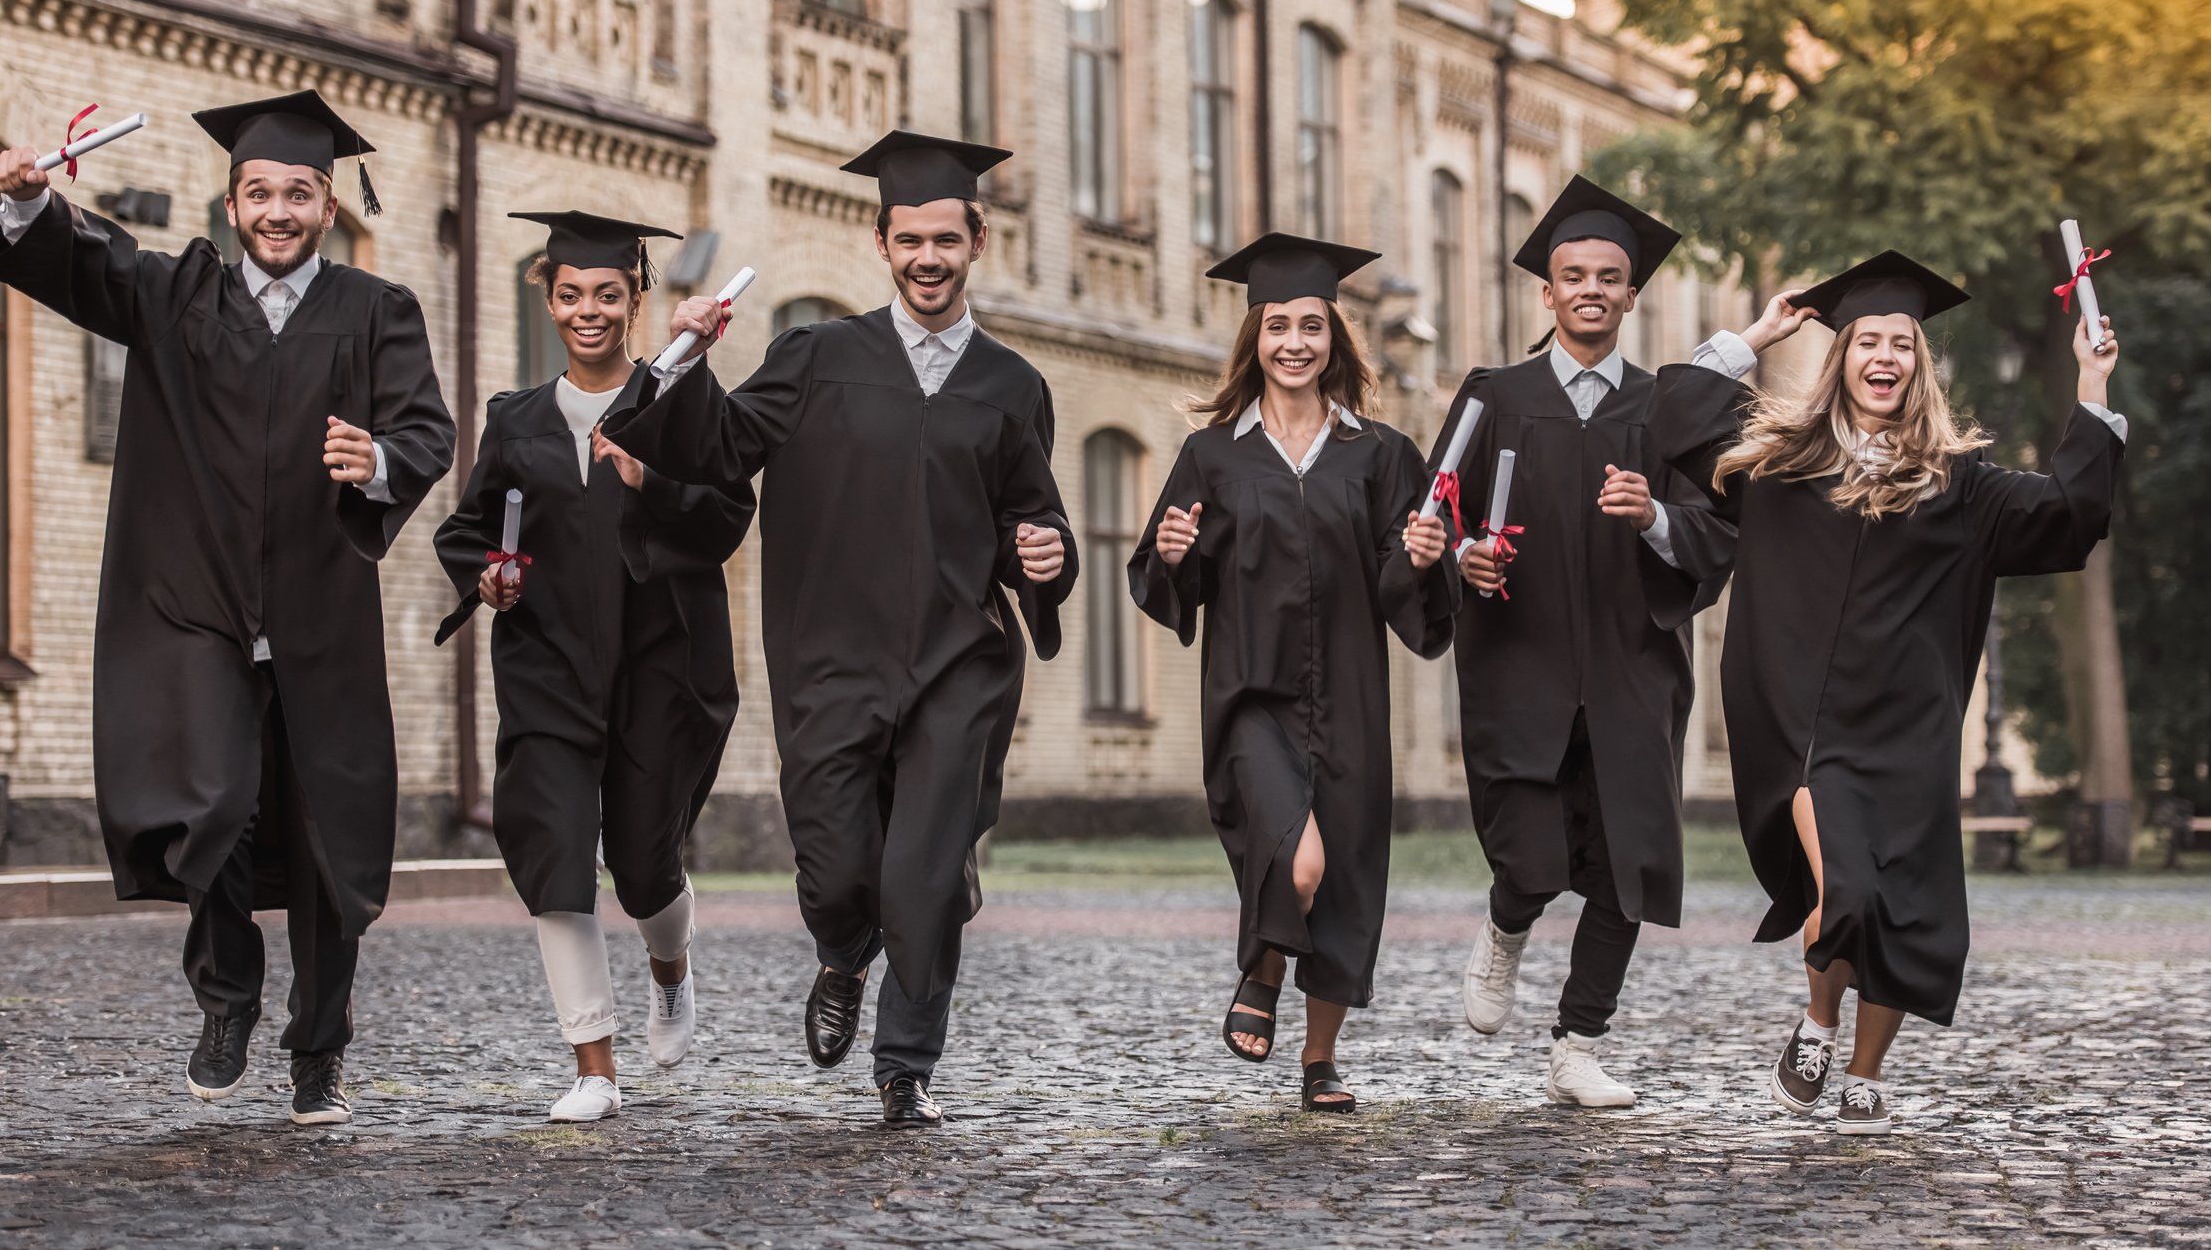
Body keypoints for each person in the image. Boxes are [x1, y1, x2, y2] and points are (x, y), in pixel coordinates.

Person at [0, 89, 453, 1126]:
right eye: (259, 192)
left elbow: (426, 432)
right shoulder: (174, 294)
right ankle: (228, 998)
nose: (278, 210)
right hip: (198, 611)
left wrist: (381, 459)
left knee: (326, 841)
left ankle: (321, 1050)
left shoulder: (377, 309)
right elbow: (80, 260)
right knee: (211, 806)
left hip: (318, 615)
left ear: (326, 206)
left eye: (298, 193)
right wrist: (29, 204)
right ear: (230, 204)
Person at [603, 130, 1077, 1129]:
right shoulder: (817, 356)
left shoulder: (1012, 386)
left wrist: (1046, 556)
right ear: (882, 244)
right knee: (837, 871)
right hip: (830, 657)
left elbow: (1031, 518)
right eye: (910, 240)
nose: (928, 258)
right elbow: (722, 449)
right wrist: (685, 357)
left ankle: (906, 1065)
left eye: (946, 239)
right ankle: (838, 953)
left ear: (977, 241)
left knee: (922, 876)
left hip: (958, 661)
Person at [1652, 251, 2123, 1135]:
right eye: (1866, 339)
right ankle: (1819, 1021)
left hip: (1907, 730)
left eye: (1900, 343)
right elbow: (1674, 420)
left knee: (1904, 907)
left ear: (1919, 365)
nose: (1883, 355)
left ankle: (1864, 1071)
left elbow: (2068, 516)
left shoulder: (1962, 485)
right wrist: (1754, 335)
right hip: (1805, 727)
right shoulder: (1783, 465)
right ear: (1843, 359)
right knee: (1852, 895)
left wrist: (2093, 383)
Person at [433, 211, 754, 1123]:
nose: (589, 311)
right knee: (556, 851)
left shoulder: (679, 400)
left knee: (644, 863)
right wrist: (486, 579)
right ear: (548, 297)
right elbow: (466, 531)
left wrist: (650, 480)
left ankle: (671, 968)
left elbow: (729, 515)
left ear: (635, 300)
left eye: (608, 295)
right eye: (571, 294)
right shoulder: (516, 420)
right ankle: (594, 1068)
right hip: (549, 667)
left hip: (660, 666)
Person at [1128, 234, 1454, 1114]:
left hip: (1349, 692)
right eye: (1279, 326)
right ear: (1254, 338)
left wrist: (1424, 555)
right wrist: (1170, 553)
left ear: (1335, 340)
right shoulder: (1213, 456)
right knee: (1298, 861)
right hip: (1250, 694)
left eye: (1313, 326)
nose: (1296, 343)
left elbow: (1406, 585)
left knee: (1345, 874)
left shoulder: (1381, 454)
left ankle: (1320, 1060)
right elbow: (1168, 578)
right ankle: (1263, 970)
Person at [1433, 178, 1736, 1109]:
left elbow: (1718, 534)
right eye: (1575, 276)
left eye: (1610, 276)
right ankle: (1506, 922)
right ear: (1548, 292)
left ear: (1632, 294)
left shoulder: (1668, 409)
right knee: (1529, 854)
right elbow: (1432, 518)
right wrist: (1464, 560)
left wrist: (1653, 518)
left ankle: (1579, 1043)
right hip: (1518, 662)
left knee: (1626, 858)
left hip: (1631, 666)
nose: (1592, 290)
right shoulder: (1493, 397)